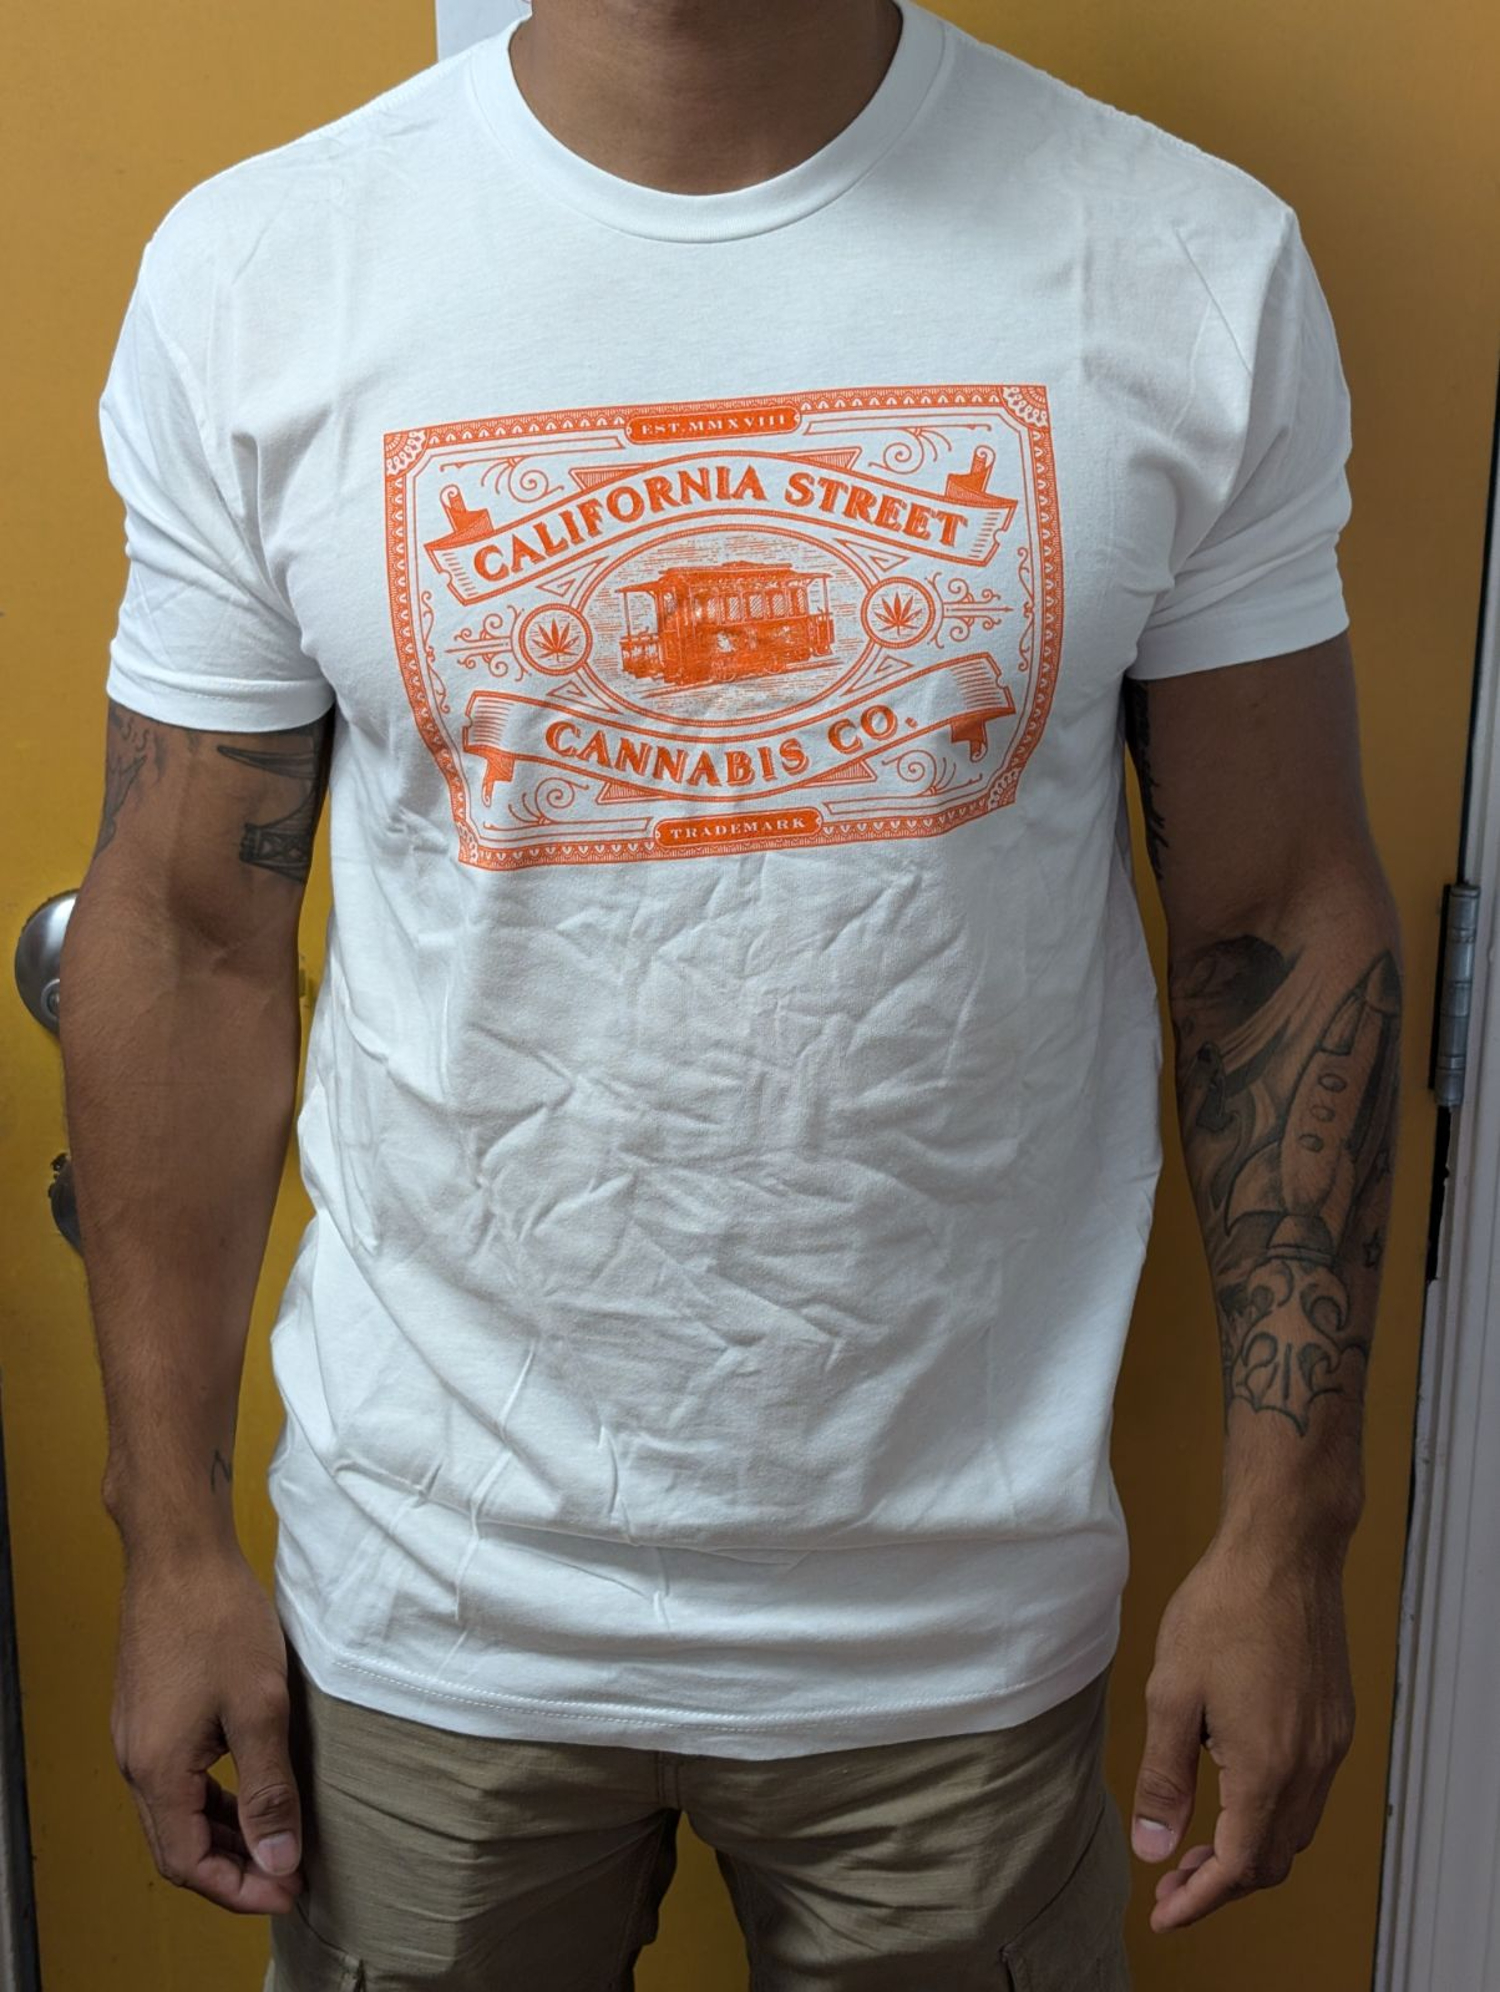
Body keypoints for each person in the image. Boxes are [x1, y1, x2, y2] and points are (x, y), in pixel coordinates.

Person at [61, 1, 1402, 1985]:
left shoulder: (1183, 260)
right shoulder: (265, 274)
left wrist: (1293, 1534)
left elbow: (1276, 923)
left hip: (957, 1629)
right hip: (430, 1609)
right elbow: (184, 936)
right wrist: (167, 1541)